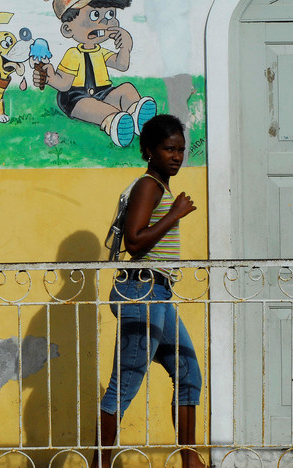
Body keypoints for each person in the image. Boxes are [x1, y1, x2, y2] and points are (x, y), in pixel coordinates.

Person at [94, 114, 205, 468]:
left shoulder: (160, 186)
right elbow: (135, 241)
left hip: (159, 294)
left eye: (181, 150)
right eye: (169, 149)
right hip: (141, 293)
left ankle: (190, 460)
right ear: (149, 151)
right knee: (124, 386)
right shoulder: (149, 186)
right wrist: (174, 215)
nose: (177, 156)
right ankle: (99, 463)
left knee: (188, 374)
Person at [33, 0, 156, 147]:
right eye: (95, 15)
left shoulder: (100, 51)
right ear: (67, 29)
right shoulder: (73, 54)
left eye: (111, 14)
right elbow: (65, 85)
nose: (105, 21)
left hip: (103, 92)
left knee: (127, 89)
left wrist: (125, 48)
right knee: (91, 105)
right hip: (76, 97)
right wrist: (50, 78)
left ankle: (136, 114)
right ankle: (114, 122)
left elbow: (121, 65)